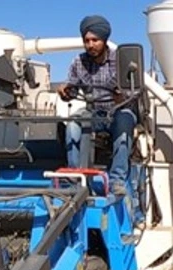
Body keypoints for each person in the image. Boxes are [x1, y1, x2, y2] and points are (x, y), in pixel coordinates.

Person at [57, 15, 144, 227]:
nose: (90, 45)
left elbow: (135, 91)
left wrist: (123, 96)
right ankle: (75, 179)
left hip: (119, 110)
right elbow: (72, 88)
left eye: (94, 40)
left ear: (104, 40)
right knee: (74, 123)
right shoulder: (79, 62)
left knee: (124, 125)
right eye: (87, 40)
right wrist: (65, 91)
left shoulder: (121, 60)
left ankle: (116, 180)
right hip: (94, 113)